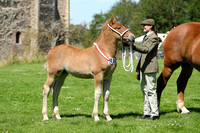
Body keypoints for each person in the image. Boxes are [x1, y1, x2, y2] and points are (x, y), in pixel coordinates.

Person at [133, 19, 160, 120]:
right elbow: (142, 56)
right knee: (144, 90)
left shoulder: (153, 37)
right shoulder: (147, 36)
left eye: (145, 25)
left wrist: (134, 46)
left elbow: (146, 50)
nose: (143, 27)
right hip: (143, 67)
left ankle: (155, 113)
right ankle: (146, 112)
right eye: (143, 25)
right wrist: (138, 69)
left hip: (150, 67)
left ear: (151, 26)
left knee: (151, 90)